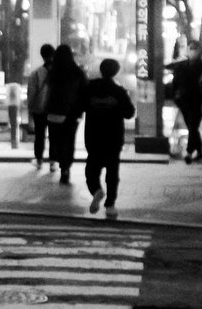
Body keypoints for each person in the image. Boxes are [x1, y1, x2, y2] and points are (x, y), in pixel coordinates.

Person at [84, 59, 136, 220]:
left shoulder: (89, 88)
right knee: (112, 172)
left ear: (100, 70)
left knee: (91, 169)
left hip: (93, 135)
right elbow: (129, 113)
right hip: (113, 136)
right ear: (116, 72)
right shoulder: (119, 91)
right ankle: (110, 205)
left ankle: (96, 190)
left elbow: (80, 104)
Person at [44, 45, 88, 184]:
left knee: (56, 140)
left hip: (53, 112)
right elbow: (84, 92)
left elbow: (49, 91)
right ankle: (65, 167)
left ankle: (60, 162)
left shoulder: (53, 72)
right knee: (69, 141)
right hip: (72, 113)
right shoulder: (77, 72)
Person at [171, 41, 202, 164]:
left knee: (193, 125)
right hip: (184, 101)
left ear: (200, 51)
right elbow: (175, 83)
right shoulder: (181, 65)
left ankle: (190, 152)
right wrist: (176, 97)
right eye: (191, 48)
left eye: (195, 49)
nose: (193, 51)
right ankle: (200, 151)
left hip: (198, 100)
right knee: (192, 127)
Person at [26, 44, 55, 169]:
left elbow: (31, 93)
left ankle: (39, 160)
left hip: (39, 109)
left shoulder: (36, 73)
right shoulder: (59, 72)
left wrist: (30, 107)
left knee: (39, 135)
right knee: (54, 136)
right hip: (55, 109)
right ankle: (53, 162)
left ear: (42, 56)